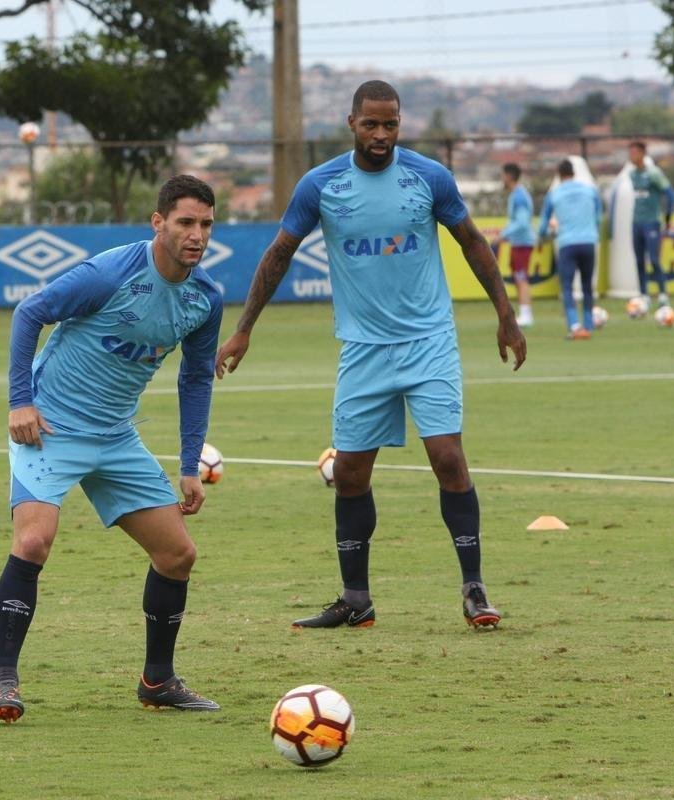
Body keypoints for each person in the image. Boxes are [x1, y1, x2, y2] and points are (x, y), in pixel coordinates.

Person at [214, 80, 525, 632]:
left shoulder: (428, 177)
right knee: (351, 472)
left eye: (391, 124)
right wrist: (243, 330)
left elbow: (472, 241)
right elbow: (280, 254)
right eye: (371, 124)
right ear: (351, 122)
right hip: (362, 350)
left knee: (448, 458)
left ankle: (474, 588)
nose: (381, 135)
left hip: (429, 341)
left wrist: (505, 314)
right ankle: (355, 598)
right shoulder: (321, 184)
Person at [0, 174, 224, 723]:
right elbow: (30, 313)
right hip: (49, 426)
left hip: (116, 436)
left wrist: (189, 465)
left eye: (206, 225)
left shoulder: (205, 297)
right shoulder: (111, 272)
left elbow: (196, 379)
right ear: (159, 223)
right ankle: (4, 679)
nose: (197, 235)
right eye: (186, 222)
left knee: (177, 555)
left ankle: (158, 681)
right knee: (34, 541)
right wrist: (21, 402)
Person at [537, 159, 603, 340]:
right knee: (587, 286)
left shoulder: (554, 194)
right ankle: (588, 324)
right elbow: (598, 218)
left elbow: (544, 223)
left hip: (567, 244)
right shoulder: (590, 191)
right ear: (574, 173)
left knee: (567, 287)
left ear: (559, 174)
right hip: (589, 242)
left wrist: (543, 236)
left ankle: (574, 325)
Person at [627, 141, 674, 308]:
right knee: (639, 260)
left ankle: (663, 294)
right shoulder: (632, 174)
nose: (631, 156)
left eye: (634, 153)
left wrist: (668, 218)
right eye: (630, 153)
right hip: (636, 223)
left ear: (642, 154)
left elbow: (671, 195)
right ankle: (644, 295)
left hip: (652, 222)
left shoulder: (654, 173)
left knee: (654, 259)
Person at [495, 163, 536, 328]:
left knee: (521, 277)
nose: (501, 179)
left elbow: (522, 222)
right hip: (518, 242)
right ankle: (524, 312)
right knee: (519, 277)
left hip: (523, 243)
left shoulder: (519, 196)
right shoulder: (517, 194)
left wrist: (503, 234)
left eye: (503, 175)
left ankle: (527, 314)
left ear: (509, 176)